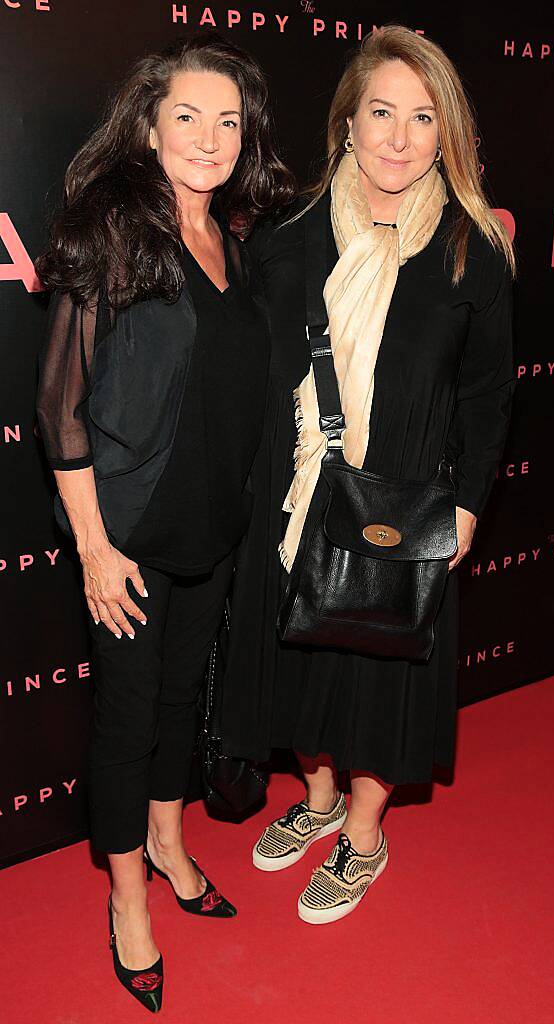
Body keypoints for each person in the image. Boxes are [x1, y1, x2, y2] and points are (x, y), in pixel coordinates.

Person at [221, 25, 515, 926]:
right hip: (305, 492)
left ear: (445, 134)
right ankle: (313, 803)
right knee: (305, 667)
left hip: (407, 500)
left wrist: (465, 508)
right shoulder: (290, 239)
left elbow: (487, 395)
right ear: (346, 123)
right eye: (379, 112)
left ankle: (361, 835)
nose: (397, 136)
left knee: (383, 677)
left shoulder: (471, 250)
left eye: (421, 117)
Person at [36, 33, 294, 1011]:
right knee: (127, 721)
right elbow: (59, 402)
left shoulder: (230, 238)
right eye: (187, 114)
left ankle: (172, 840)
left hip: (212, 527)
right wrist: (95, 547)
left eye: (228, 121)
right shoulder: (113, 226)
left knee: (183, 702)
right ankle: (129, 900)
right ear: (149, 122)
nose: (209, 136)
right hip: (132, 535)